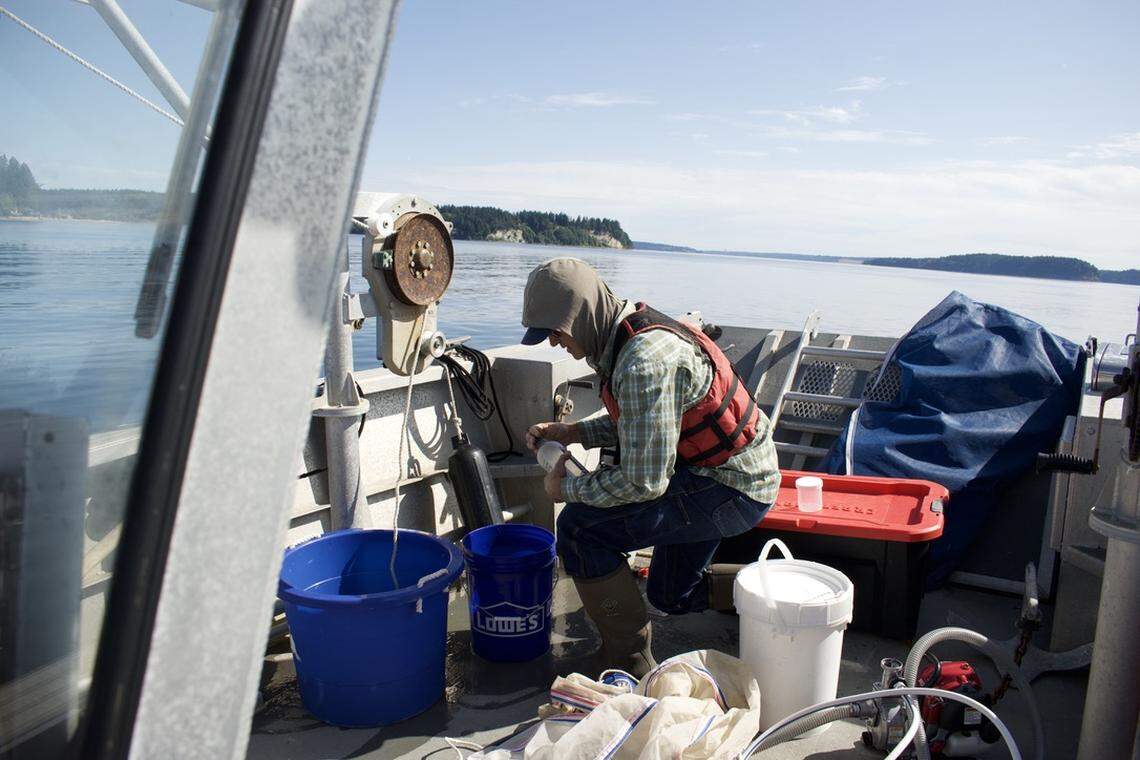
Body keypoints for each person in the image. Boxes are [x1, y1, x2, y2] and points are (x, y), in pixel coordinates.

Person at [521, 258, 780, 677]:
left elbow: (643, 482)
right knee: (670, 596)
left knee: (580, 529)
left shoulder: (642, 362)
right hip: (728, 472)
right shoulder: (630, 332)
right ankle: (778, 592)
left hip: (730, 488)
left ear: (581, 316)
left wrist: (563, 491)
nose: (554, 344)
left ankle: (629, 659)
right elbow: (647, 419)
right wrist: (574, 432)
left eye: (555, 332)